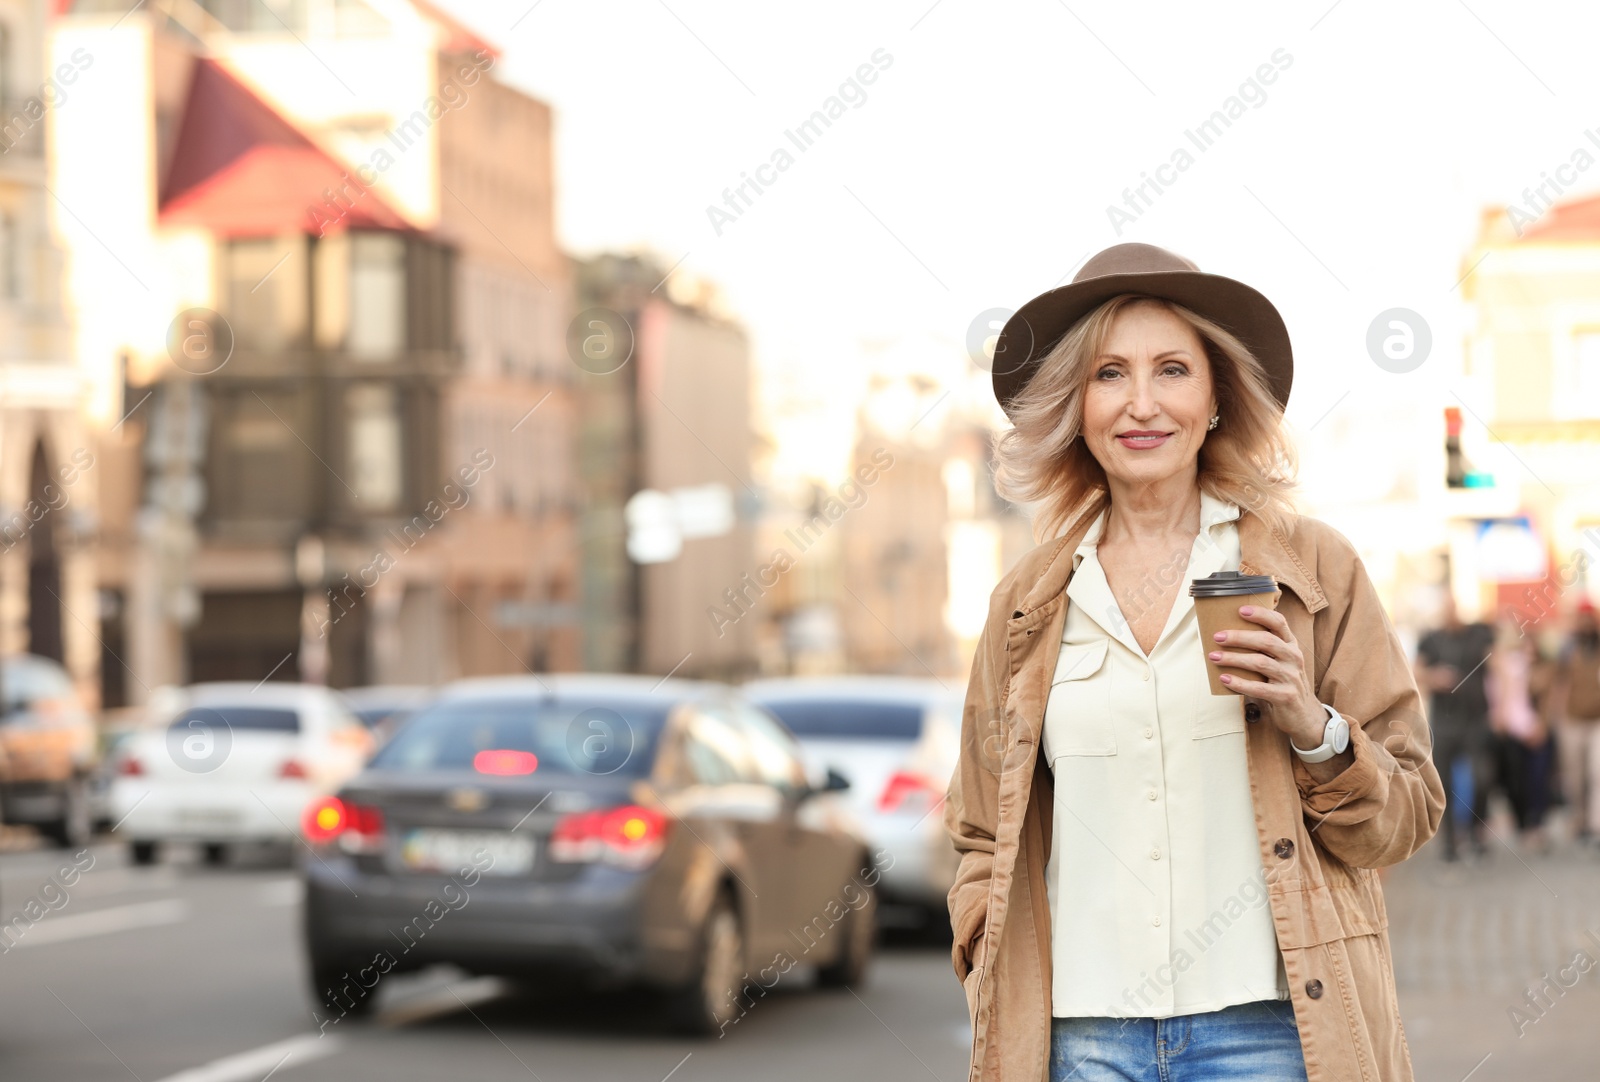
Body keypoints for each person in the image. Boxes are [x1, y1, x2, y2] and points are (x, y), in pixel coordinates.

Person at [944, 242, 1444, 1082]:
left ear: (1216, 397)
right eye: (1109, 374)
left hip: (1271, 1036)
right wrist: (985, 942)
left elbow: (1407, 815)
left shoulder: (1313, 571)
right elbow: (977, 834)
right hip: (1080, 1042)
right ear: (1077, 405)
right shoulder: (1027, 603)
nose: (1142, 404)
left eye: (1172, 370)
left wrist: (1312, 728)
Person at [1414, 592, 1496, 860]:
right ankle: (1450, 843)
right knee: (1444, 784)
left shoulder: (1478, 634)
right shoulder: (1430, 639)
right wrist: (1434, 677)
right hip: (1444, 722)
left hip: (1475, 720)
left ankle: (1477, 833)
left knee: (1481, 777)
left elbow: (1501, 652)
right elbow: (1415, 672)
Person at [1486, 617, 1553, 852]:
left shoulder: (1518, 661)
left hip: (1523, 727)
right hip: (1508, 730)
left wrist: (1531, 725)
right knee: (1511, 781)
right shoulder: (1493, 664)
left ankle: (1533, 825)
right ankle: (1523, 825)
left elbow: (1522, 699)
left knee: (1532, 780)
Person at [1554, 598, 1600, 846]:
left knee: (1597, 771)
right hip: (1572, 720)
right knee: (1576, 777)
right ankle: (1580, 820)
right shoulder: (1568, 647)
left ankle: (1596, 825)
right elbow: (1559, 683)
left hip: (1597, 721)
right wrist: (1558, 717)